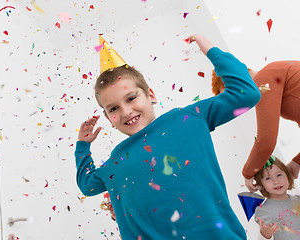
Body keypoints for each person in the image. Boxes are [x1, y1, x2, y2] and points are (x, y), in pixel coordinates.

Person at [75, 34, 261, 239]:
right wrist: (83, 146)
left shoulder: (188, 118)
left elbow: (246, 94)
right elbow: (87, 185)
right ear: (109, 118)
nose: (126, 111)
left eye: (131, 98)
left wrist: (210, 50)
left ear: (151, 95)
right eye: (114, 108)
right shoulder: (115, 161)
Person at [211, 61, 300, 191]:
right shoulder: (274, 78)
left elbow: (266, 141)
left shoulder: (264, 81)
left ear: (238, 78)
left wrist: (248, 173)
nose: (237, 102)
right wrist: (297, 163)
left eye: (234, 94)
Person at [253, 155, 300, 240]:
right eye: (268, 178)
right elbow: (263, 237)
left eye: (279, 175)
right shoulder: (264, 211)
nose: (276, 181)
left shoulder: (298, 199)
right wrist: (265, 234)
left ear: (287, 175)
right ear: (261, 185)